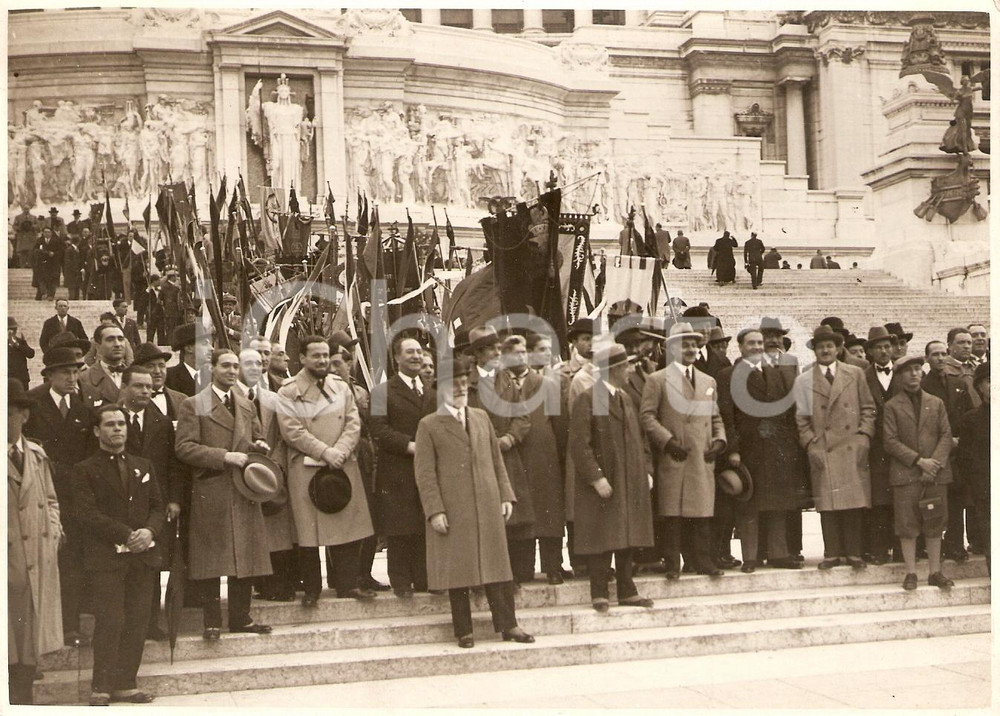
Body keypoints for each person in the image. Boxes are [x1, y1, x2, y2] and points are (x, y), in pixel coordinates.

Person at [413, 357, 534, 648]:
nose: (460, 387)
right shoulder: (428, 425)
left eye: (463, 382)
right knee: (459, 569)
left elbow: (496, 461)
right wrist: (435, 510)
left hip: (488, 502)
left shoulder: (481, 417)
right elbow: (425, 473)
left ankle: (509, 625)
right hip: (454, 508)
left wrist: (506, 495)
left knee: (497, 565)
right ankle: (463, 630)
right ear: (439, 388)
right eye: (452, 384)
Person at [174, 349, 274, 640]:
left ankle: (241, 618)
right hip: (212, 487)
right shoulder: (194, 405)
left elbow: (254, 438)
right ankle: (212, 622)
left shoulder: (246, 403)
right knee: (211, 559)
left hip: (243, 487)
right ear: (212, 369)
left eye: (235, 366)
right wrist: (224, 456)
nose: (232, 371)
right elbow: (184, 447)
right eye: (226, 366)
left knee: (245, 555)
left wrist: (259, 448)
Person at [74, 404, 164, 706]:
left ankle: (126, 683)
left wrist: (149, 531)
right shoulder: (85, 469)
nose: (117, 429)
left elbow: (157, 507)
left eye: (121, 424)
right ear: (98, 431)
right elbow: (86, 514)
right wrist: (126, 534)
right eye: (110, 424)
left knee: (138, 620)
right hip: (107, 558)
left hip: (142, 556)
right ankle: (101, 686)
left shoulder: (144, 465)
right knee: (111, 620)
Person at [276, 336, 376, 605]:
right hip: (307, 467)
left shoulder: (341, 388)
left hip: (341, 464)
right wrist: (325, 452)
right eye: (316, 356)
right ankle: (311, 590)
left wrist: (340, 451)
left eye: (325, 355)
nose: (321, 360)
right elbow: (291, 431)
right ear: (302, 359)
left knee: (345, 527)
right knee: (308, 534)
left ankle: (348, 584)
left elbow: (353, 423)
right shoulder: (288, 391)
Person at [570, 343, 655, 611]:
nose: (630, 370)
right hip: (604, 482)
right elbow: (579, 445)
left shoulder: (625, 398)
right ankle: (599, 591)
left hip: (630, 479)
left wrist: (647, 471)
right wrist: (596, 478)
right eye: (626, 365)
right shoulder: (587, 399)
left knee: (628, 534)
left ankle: (627, 589)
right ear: (614, 369)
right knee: (602, 536)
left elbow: (640, 439)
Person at [640, 322, 726, 579]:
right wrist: (667, 442)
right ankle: (672, 564)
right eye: (684, 344)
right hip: (674, 455)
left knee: (700, 513)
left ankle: (703, 561)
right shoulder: (657, 379)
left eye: (693, 344)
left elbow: (715, 417)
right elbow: (647, 416)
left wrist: (719, 440)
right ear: (672, 348)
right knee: (673, 514)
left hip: (701, 455)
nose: (690, 349)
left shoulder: (708, 380)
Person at [717, 329, 804, 572]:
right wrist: (732, 450)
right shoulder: (728, 375)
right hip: (748, 448)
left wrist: (788, 442)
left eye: (759, 342)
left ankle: (778, 553)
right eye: (751, 343)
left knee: (778, 502)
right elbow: (727, 416)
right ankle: (750, 557)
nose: (756, 347)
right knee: (749, 504)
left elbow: (788, 408)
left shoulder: (774, 373)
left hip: (777, 447)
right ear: (741, 346)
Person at [24, 347, 94, 648]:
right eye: (65, 371)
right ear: (49, 374)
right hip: (41, 494)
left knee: (72, 561)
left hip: (74, 500)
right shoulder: (34, 404)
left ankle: (70, 625)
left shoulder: (82, 407)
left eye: (76, 371)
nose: (72, 377)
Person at [793, 325, 876, 570]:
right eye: (820, 347)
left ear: (839, 349)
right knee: (827, 504)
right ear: (814, 351)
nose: (825, 350)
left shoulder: (855, 373)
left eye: (830, 346)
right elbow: (801, 419)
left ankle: (854, 553)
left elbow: (869, 409)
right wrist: (810, 444)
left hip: (852, 445)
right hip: (823, 447)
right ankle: (831, 553)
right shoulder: (804, 379)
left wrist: (864, 437)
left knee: (853, 502)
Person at [8, 379, 63, 705]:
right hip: (9, 560)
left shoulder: (37, 455)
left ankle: (23, 697)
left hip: (35, 558)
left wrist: (53, 531)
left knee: (28, 638)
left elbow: (51, 500)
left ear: (24, 416)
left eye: (9, 413)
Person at [117, 366, 183, 642]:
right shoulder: (113, 419)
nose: (145, 391)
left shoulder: (162, 421)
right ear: (124, 387)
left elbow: (172, 464)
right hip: (120, 502)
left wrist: (174, 499)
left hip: (153, 504)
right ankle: (121, 623)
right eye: (138, 386)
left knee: (151, 564)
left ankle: (151, 622)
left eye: (148, 387)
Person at [466, 326, 535, 585]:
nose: (498, 353)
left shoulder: (506, 379)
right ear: (480, 354)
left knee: (512, 518)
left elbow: (522, 416)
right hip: (478, 459)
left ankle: (513, 575)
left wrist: (509, 438)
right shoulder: (467, 380)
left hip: (507, 456)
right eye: (493, 349)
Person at [882, 355, 954, 592]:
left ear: (922, 374)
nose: (913, 374)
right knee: (907, 524)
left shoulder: (936, 402)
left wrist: (933, 464)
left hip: (935, 473)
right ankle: (911, 572)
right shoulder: (892, 406)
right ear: (900, 376)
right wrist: (918, 461)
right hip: (906, 475)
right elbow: (890, 441)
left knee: (935, 523)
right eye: (908, 371)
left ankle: (935, 571)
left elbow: (945, 435)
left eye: (917, 370)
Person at [370, 337, 434, 597]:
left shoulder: (432, 392)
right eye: (410, 352)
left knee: (423, 523)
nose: (416, 356)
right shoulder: (381, 392)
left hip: (427, 469)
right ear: (396, 358)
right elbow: (378, 430)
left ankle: (424, 577)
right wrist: (409, 446)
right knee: (400, 527)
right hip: (397, 469)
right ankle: (401, 581)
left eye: (419, 352)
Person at [500, 334, 566, 585]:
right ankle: (521, 569)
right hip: (513, 458)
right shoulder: (499, 385)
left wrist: (557, 458)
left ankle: (553, 567)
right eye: (512, 353)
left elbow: (560, 426)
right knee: (519, 516)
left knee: (549, 513)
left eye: (521, 352)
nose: (518, 357)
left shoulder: (547, 385)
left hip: (543, 459)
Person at [922, 340, 977, 563]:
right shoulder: (923, 385)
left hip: (958, 450)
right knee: (935, 501)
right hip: (935, 450)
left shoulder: (959, 383)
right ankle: (935, 545)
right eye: (935, 354)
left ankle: (955, 544)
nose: (940, 358)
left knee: (957, 499)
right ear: (927, 358)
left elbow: (969, 415)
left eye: (943, 353)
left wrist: (960, 440)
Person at [862, 326, 900, 565]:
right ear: (871, 352)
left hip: (900, 446)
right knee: (878, 500)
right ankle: (878, 549)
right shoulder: (862, 376)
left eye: (887, 346)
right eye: (879, 347)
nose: (884, 351)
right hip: (875, 448)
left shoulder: (904, 373)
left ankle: (901, 548)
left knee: (900, 499)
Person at [955, 363, 989, 572]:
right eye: (989, 381)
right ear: (979, 387)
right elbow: (965, 457)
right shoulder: (971, 419)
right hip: (985, 488)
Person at [80, 324, 130, 406]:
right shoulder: (84, 379)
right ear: (98, 346)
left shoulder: (135, 376)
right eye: (110, 340)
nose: (117, 344)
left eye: (121, 339)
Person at [165, 323, 211, 397]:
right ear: (189, 348)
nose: (211, 348)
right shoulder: (170, 377)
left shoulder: (213, 376)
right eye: (205, 344)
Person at [32, 229, 59, 301]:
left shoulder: (56, 241)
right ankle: (42, 294)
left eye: (48, 232)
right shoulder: (39, 241)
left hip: (53, 265)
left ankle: (50, 295)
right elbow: (35, 251)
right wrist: (44, 253)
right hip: (42, 264)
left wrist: (54, 254)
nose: (47, 233)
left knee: (52, 280)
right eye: (45, 232)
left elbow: (61, 251)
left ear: (51, 233)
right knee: (41, 280)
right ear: (43, 233)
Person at [9, 317, 36, 389]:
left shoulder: (20, 341)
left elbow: (31, 354)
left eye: (14, 329)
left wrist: (17, 345)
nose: (12, 332)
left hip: (22, 378)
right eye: (10, 329)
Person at [159, 269, 182, 340]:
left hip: (170, 310)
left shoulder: (165, 286)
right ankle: (170, 340)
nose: (177, 278)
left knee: (171, 326)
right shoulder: (170, 287)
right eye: (176, 276)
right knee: (171, 327)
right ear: (171, 277)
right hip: (171, 310)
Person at [145, 274, 164, 344]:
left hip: (160, 313)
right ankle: (149, 345)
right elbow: (144, 303)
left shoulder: (160, 290)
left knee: (161, 331)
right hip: (152, 314)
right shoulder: (148, 291)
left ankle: (161, 345)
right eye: (158, 280)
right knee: (151, 332)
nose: (159, 282)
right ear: (154, 281)